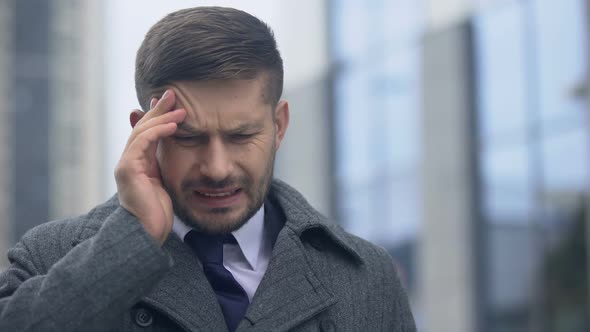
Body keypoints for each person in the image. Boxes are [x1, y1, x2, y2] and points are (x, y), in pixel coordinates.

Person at [0, 6, 415, 332]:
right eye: (188, 138)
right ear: (144, 133)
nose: (217, 168)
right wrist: (134, 240)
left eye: (240, 137)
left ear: (279, 125)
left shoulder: (365, 278)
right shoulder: (52, 256)